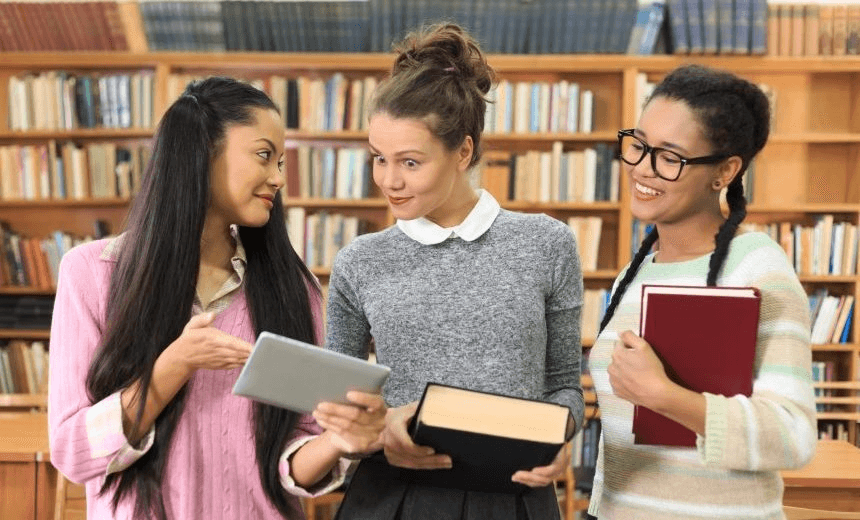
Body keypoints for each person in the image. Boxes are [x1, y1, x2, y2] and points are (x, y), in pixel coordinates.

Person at [48, 76, 386, 520]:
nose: (279, 178)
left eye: (282, 162)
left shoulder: (292, 287)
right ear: (202, 151)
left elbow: (295, 458)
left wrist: (338, 441)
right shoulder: (92, 273)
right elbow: (73, 452)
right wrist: (174, 366)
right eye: (265, 155)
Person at [317, 23, 585, 520]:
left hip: (516, 499)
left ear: (463, 151)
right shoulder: (360, 261)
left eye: (410, 163)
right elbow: (339, 406)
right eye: (379, 159)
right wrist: (381, 430)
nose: (389, 181)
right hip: (393, 496)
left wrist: (561, 436)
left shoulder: (547, 244)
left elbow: (564, 383)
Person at [585, 64, 817, 520]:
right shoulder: (632, 276)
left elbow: (794, 435)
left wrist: (664, 396)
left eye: (669, 157)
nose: (642, 169)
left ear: (725, 170)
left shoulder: (756, 267)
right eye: (639, 145)